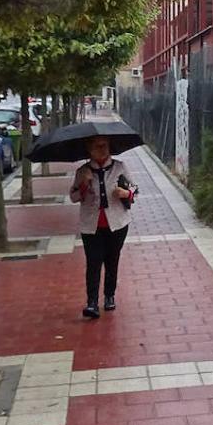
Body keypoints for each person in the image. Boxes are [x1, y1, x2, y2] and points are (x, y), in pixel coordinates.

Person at [70, 136, 136, 318]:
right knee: (93, 262)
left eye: (105, 146)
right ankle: (91, 302)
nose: (102, 149)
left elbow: (134, 190)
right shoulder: (82, 171)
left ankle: (109, 295)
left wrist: (126, 193)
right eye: (97, 146)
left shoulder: (119, 167)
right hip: (91, 225)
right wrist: (83, 184)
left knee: (112, 260)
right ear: (89, 149)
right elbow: (73, 197)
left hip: (117, 223)